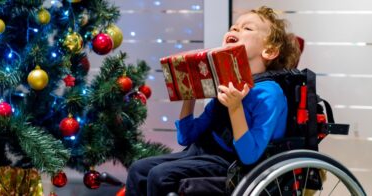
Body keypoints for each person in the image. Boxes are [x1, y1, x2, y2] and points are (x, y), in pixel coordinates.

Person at [125, 6, 301, 196]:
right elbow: (186, 137)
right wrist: (189, 96)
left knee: (161, 176)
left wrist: (235, 108)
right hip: (202, 152)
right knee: (138, 169)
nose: (235, 30)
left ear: (269, 51)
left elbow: (249, 156)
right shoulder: (226, 81)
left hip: (233, 163)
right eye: (234, 27)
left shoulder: (269, 94)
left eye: (247, 28)